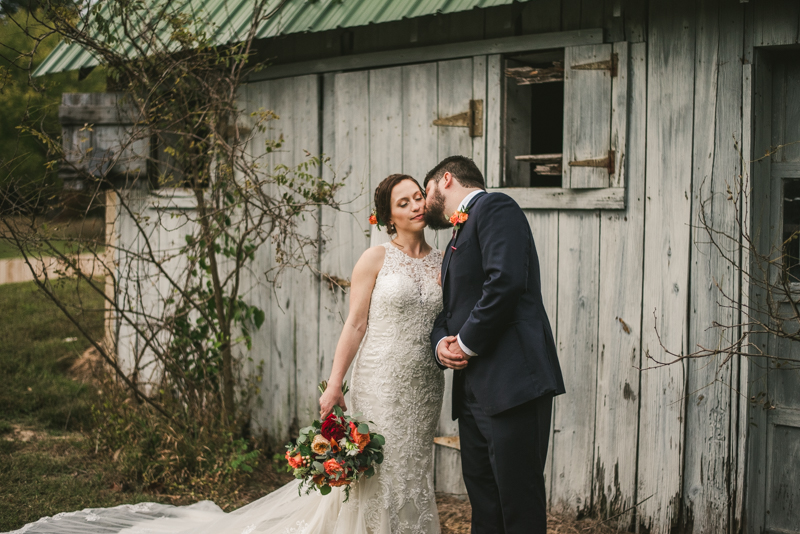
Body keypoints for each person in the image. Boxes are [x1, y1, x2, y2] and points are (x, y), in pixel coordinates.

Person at [7, 174, 445, 534]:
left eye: (419, 197)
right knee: (377, 467)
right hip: (380, 377)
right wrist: (334, 385)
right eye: (403, 202)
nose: (416, 205)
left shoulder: (441, 261)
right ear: (388, 216)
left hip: (424, 382)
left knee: (414, 462)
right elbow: (355, 324)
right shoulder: (374, 259)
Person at [423, 156, 565, 534]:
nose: (424, 203)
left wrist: (465, 345)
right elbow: (448, 311)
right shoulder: (456, 236)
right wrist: (441, 347)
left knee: (518, 502)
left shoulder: (495, 207)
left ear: (446, 179)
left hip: (513, 384)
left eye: (426, 192)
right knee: (485, 504)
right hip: (472, 394)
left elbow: (504, 282)